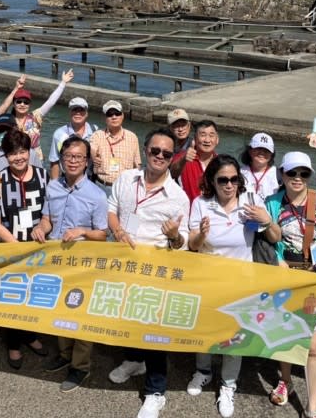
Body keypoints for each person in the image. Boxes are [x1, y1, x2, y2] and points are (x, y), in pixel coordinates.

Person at [186, 154, 281, 417]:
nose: (229, 185)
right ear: (212, 182)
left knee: (233, 337)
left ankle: (228, 386)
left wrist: (266, 219)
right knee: (205, 330)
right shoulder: (201, 204)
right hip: (208, 280)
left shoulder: (251, 201)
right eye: (223, 180)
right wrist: (202, 234)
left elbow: (275, 238)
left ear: (240, 181)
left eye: (234, 179)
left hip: (242, 282)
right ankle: (202, 371)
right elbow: (193, 245)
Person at [107, 127, 189, 418]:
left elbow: (183, 245)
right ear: (145, 150)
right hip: (124, 265)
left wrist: (175, 236)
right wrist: (117, 231)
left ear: (172, 157)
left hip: (155, 271)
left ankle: (156, 391)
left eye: (167, 154)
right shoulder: (126, 179)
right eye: (155, 151)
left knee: (154, 330)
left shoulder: (178, 197)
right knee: (127, 318)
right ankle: (133, 360)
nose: (160, 157)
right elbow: (112, 209)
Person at [266, 151, 316, 418]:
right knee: (286, 336)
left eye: (304, 174)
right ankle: (285, 380)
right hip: (286, 280)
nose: (297, 178)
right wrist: (276, 260)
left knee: (314, 346)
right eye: (292, 173)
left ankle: (313, 406)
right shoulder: (272, 203)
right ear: (282, 174)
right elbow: (263, 240)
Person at [32, 136, 108, 392]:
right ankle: (64, 355)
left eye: (78, 157)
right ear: (61, 159)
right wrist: (40, 228)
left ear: (86, 162)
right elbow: (47, 219)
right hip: (57, 261)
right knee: (59, 310)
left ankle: (80, 367)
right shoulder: (53, 187)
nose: (73, 161)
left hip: (84, 265)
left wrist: (82, 232)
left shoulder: (97, 195)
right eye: (68, 156)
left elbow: (103, 233)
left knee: (81, 313)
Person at [0, 129, 49, 369]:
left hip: (37, 250)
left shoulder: (44, 177)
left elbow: (49, 214)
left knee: (33, 295)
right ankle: (13, 343)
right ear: (5, 156)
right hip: (9, 250)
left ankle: (30, 335)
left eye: (23, 151)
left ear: (30, 152)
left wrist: (44, 225)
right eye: (12, 153)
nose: (19, 157)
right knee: (10, 297)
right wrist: (16, 247)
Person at [0, 70, 74, 161]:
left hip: (35, 160)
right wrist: (16, 88)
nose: (22, 104)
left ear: (29, 105)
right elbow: (0, 111)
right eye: (19, 102)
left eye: (26, 102)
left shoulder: (36, 116)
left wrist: (63, 83)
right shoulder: (7, 120)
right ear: (13, 104)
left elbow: (51, 102)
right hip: (15, 160)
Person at [90, 100, 141, 195]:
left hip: (126, 188)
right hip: (103, 187)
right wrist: (94, 157)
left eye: (117, 114)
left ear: (122, 116)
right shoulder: (97, 135)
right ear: (105, 118)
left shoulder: (132, 137)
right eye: (110, 114)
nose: (114, 117)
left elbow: (137, 165)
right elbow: (92, 150)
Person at [47, 97, 98, 180]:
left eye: (81, 110)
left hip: (90, 178)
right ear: (70, 112)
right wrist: (54, 185)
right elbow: (54, 162)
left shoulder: (95, 131)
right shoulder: (59, 134)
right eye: (74, 109)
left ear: (87, 113)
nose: (78, 113)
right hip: (67, 179)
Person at [179, 119, 220, 202]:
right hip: (190, 213)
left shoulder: (222, 163)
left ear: (217, 140)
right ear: (194, 139)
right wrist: (183, 160)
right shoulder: (183, 158)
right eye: (203, 135)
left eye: (211, 135)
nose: (207, 140)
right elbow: (172, 170)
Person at [239, 132, 279, 201]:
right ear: (250, 151)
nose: (262, 153)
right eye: (258, 149)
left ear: (272, 154)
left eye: (266, 150)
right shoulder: (239, 173)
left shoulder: (279, 175)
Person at [167, 108, 194, 180]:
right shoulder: (166, 146)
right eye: (176, 126)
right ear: (170, 128)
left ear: (189, 125)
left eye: (183, 125)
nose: (180, 129)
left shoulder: (195, 145)